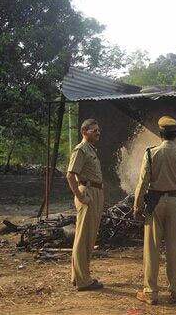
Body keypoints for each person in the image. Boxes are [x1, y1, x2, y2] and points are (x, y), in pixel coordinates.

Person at [133, 116, 176, 305]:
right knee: (175, 248)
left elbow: (142, 183)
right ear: (175, 134)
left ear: (160, 133)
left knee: (152, 248)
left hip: (154, 202)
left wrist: (137, 206)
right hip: (174, 201)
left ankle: (151, 293)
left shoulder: (151, 153)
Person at [66, 119, 104, 291]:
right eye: (94, 130)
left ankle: (79, 276)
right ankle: (83, 280)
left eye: (98, 130)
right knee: (83, 237)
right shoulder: (81, 149)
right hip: (87, 192)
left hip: (94, 192)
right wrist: (81, 196)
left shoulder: (91, 149)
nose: (97, 132)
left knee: (88, 236)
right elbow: (70, 175)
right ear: (84, 131)